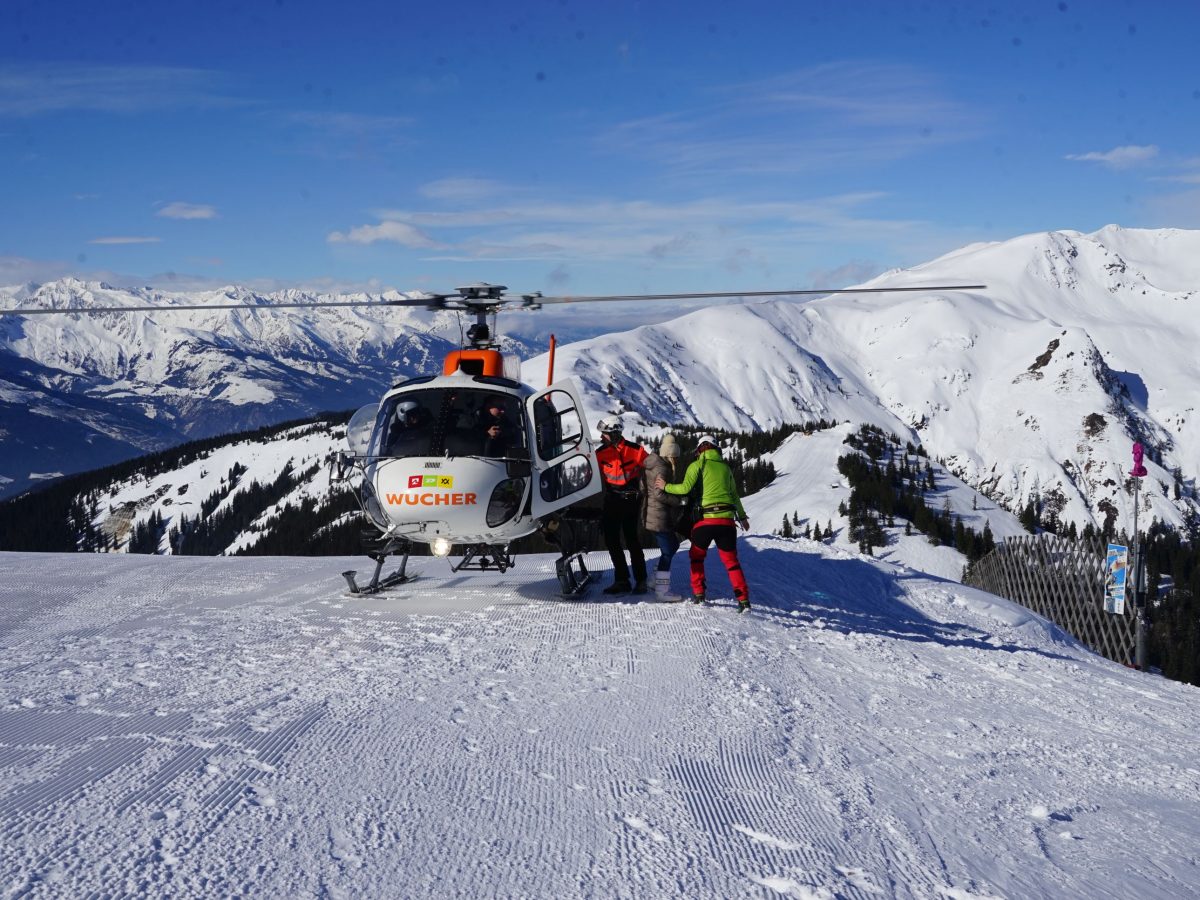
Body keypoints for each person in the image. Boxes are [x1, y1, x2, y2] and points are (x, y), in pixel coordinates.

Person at [655, 434, 752, 612]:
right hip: (727, 522)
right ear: (716, 448)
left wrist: (665, 486)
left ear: (699, 449)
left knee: (697, 558)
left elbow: (685, 488)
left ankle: (699, 594)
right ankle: (743, 600)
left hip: (705, 521)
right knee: (732, 563)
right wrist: (743, 517)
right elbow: (734, 496)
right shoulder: (725, 468)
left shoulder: (697, 465)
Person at [595, 415, 649, 595]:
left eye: (605, 434)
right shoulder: (600, 453)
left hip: (631, 501)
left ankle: (641, 580)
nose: (602, 437)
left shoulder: (636, 450)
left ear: (615, 433)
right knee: (611, 540)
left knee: (632, 540)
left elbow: (652, 467)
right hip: (612, 500)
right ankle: (622, 580)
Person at [641, 433, 684, 600]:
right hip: (659, 515)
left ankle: (654, 580)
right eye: (676, 457)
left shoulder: (652, 465)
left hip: (651, 512)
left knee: (672, 546)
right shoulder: (663, 468)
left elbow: (644, 488)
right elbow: (659, 494)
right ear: (671, 455)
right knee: (668, 550)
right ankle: (662, 591)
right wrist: (678, 501)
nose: (677, 460)